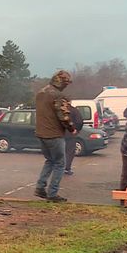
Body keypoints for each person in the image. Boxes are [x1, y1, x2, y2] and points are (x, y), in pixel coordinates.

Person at [34, 70, 76, 203]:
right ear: (62, 82)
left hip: (41, 133)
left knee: (50, 160)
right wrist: (72, 128)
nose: (67, 86)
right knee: (60, 164)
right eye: (66, 83)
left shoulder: (41, 92)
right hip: (54, 134)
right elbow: (63, 116)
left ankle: (40, 187)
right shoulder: (57, 95)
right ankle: (52, 193)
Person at [64, 104, 83, 175]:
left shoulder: (59, 111)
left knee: (61, 151)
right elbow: (79, 122)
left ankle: (59, 167)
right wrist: (76, 130)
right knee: (70, 152)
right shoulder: (74, 110)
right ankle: (67, 168)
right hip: (70, 134)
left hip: (59, 134)